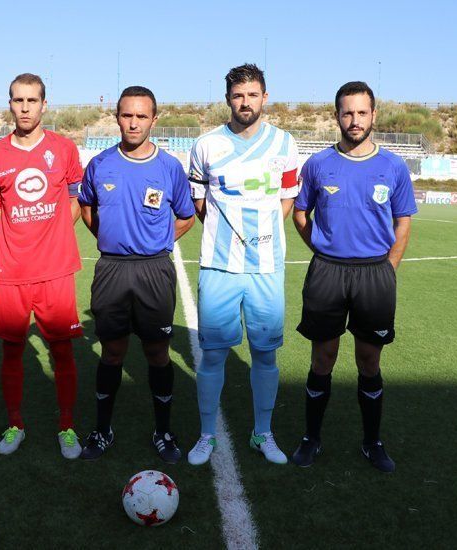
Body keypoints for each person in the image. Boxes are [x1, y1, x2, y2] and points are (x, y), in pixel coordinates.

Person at [291, 81, 417, 473]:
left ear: (374, 115)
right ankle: (311, 439)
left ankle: (372, 442)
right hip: (328, 272)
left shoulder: (393, 166)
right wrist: (325, 250)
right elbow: (300, 215)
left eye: (362, 112)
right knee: (323, 357)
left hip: (374, 275)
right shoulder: (317, 165)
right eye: (347, 112)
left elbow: (403, 222)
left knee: (368, 360)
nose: (354, 120)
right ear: (336, 116)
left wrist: (388, 270)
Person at [187, 64, 300, 466]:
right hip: (219, 266)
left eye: (252, 94)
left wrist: (260, 238)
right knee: (214, 354)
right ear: (228, 99)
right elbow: (200, 203)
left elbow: (287, 200)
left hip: (267, 267)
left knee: (265, 355)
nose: (245, 102)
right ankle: (206, 435)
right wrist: (230, 236)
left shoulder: (285, 143)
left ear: (264, 97)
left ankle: (263, 433)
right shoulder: (206, 146)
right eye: (238, 95)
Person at [77, 86, 195, 463]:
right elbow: (87, 209)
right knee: (112, 351)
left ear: (154, 120)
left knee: (157, 352)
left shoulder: (169, 167)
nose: (133, 122)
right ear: (117, 117)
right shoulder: (100, 164)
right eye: (127, 115)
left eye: (141, 116)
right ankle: (102, 429)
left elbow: (187, 216)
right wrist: (112, 238)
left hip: (154, 270)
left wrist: (156, 239)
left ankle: (163, 431)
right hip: (111, 268)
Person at [0, 73, 85, 459]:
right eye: (18, 100)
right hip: (10, 273)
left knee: (61, 351)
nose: (25, 107)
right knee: (11, 350)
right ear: (10, 104)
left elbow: (76, 197)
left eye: (32, 100)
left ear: (44, 104)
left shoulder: (64, 149)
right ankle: (15, 425)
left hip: (55, 270)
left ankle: (67, 427)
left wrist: (54, 232)